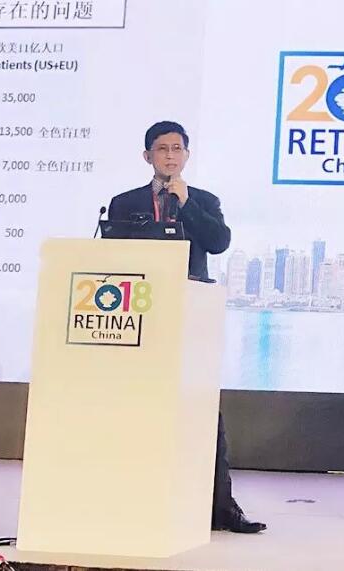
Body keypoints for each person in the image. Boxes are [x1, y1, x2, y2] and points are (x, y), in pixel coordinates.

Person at [108, 121, 266, 534]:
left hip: (191, 317)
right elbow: (111, 257)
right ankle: (132, 500)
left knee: (202, 411)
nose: (170, 155)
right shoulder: (124, 203)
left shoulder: (204, 200)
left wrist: (187, 203)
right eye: (162, 149)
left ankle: (221, 507)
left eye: (177, 149)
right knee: (137, 408)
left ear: (187, 156)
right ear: (147, 156)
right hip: (139, 318)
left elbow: (218, 242)